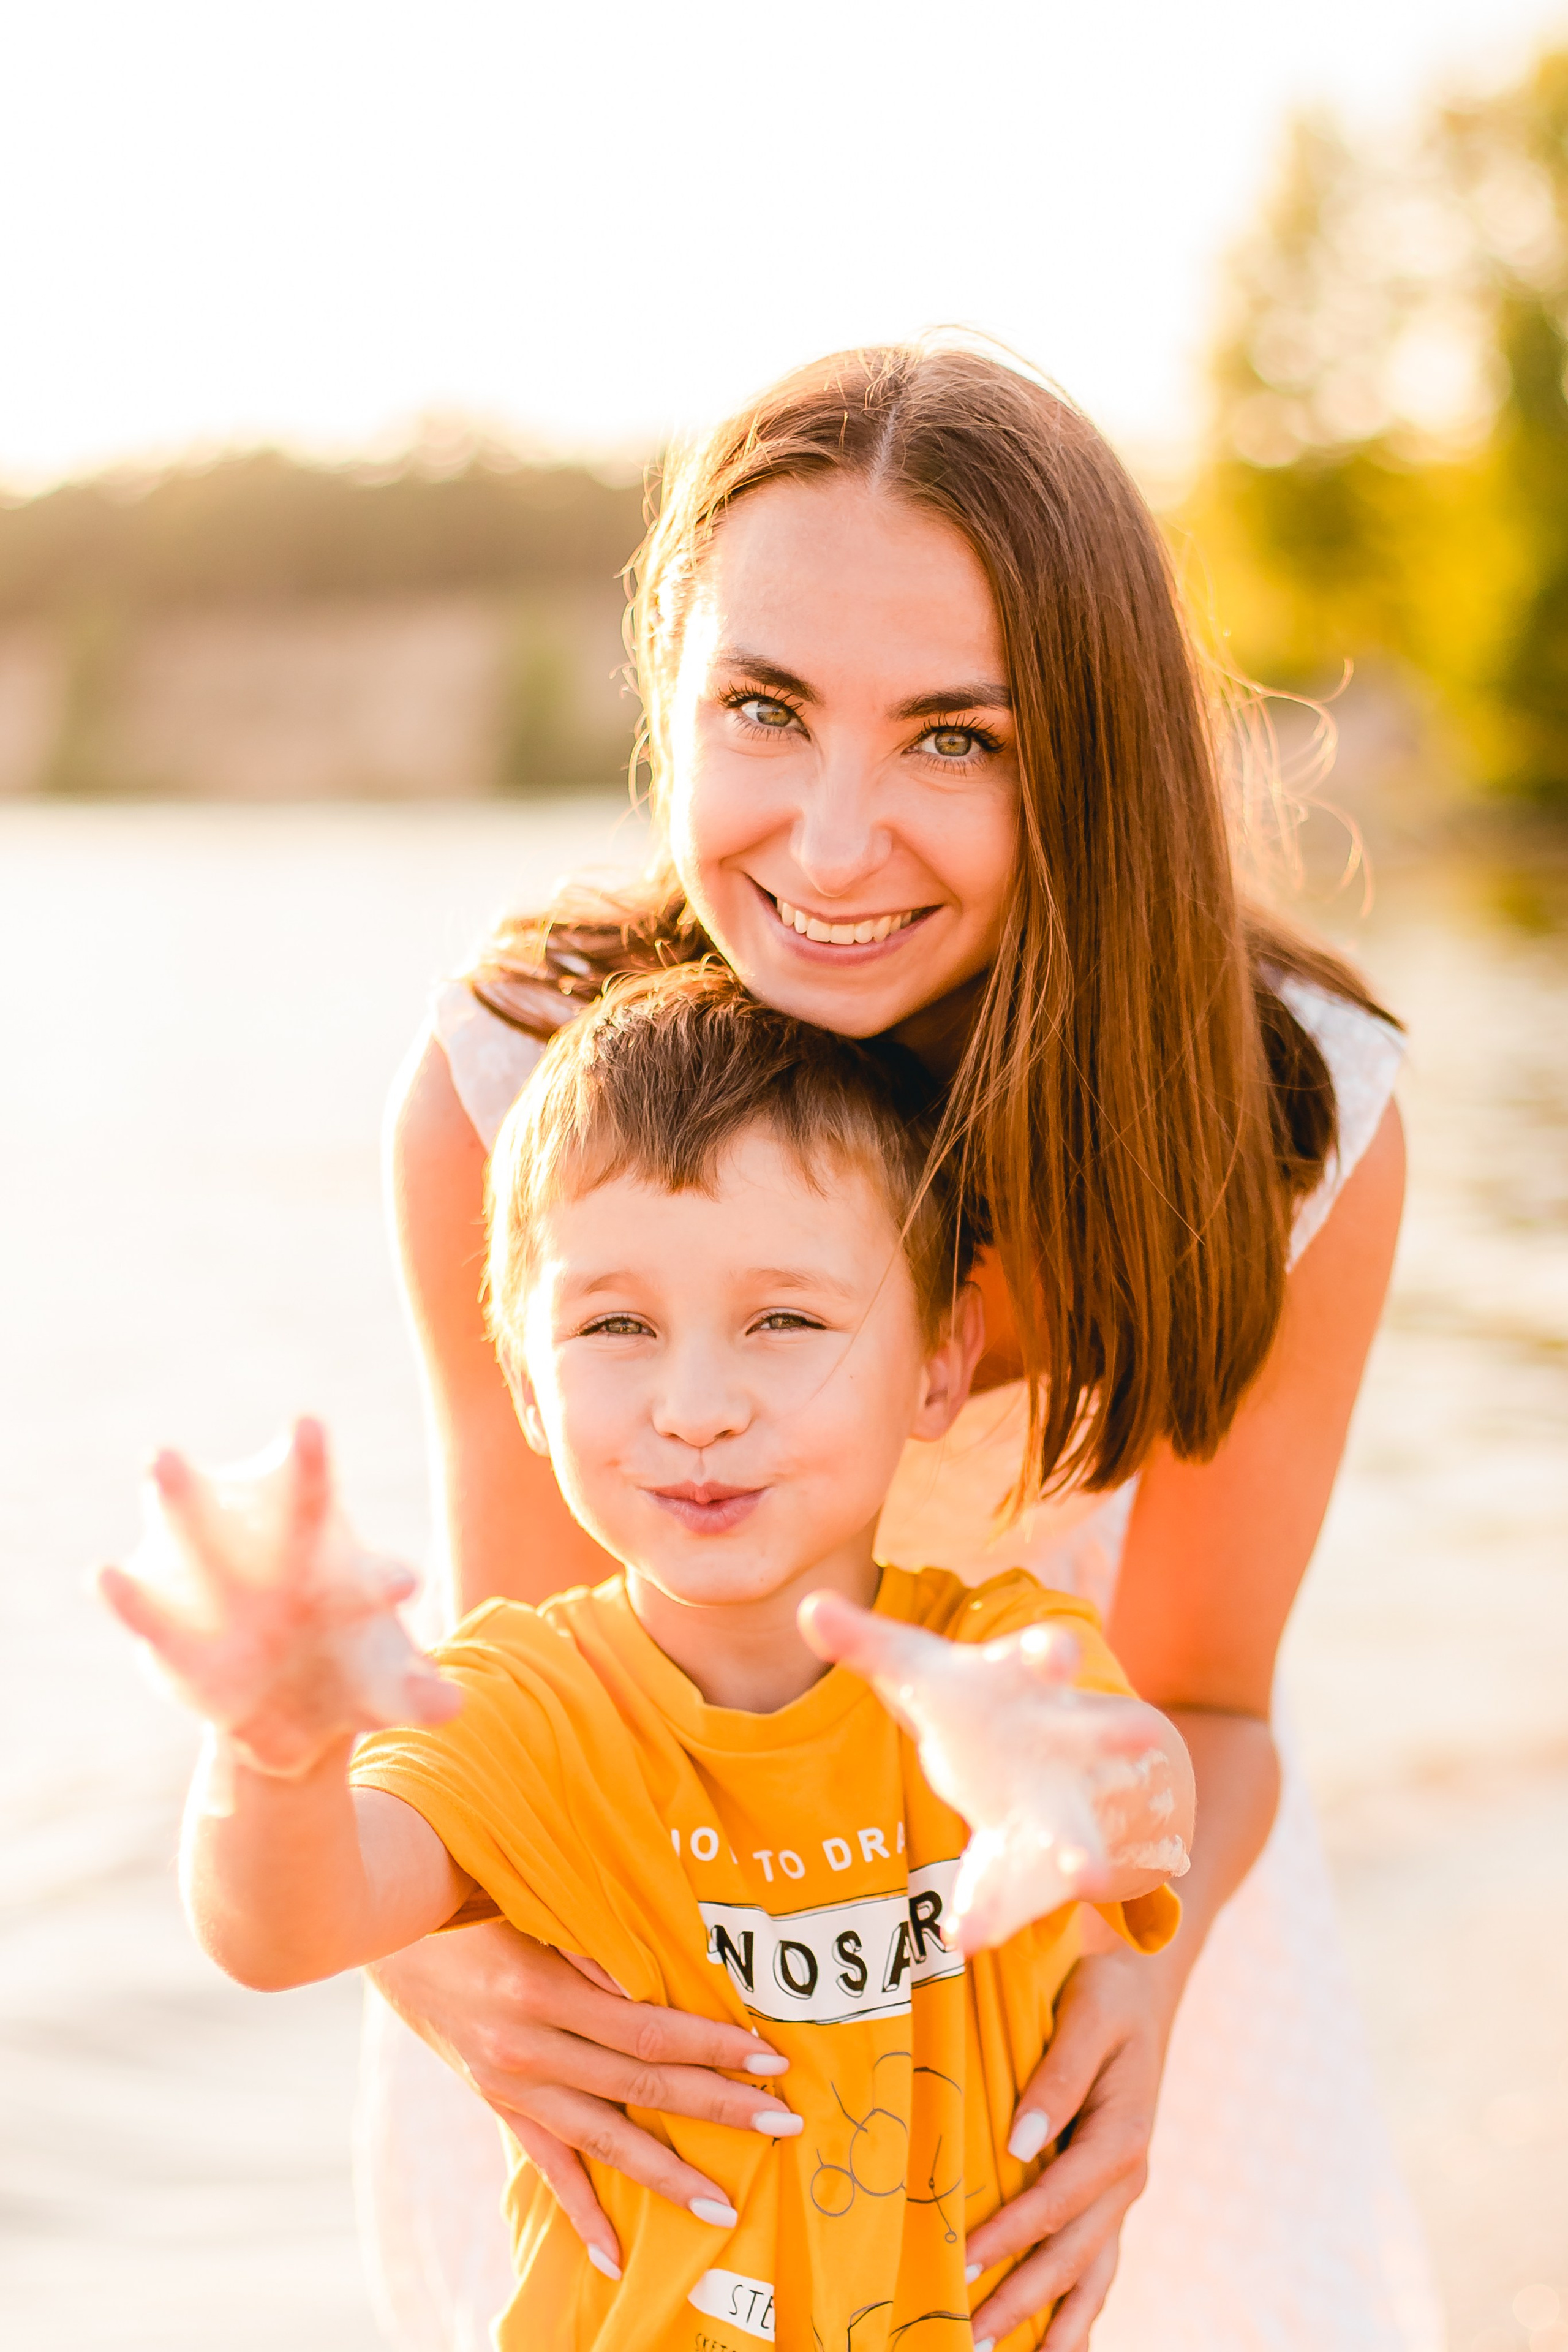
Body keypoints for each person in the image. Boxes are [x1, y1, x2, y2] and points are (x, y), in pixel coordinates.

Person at [368, 341, 1441, 2352]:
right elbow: (510, 1697)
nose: (836, 841)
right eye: (764, 709)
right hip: (636, 2003)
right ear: (672, 696)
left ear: (1093, 758)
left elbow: (1209, 1700)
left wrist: (1139, 1978)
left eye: (957, 738)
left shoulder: (1282, 1126)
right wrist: (437, 1959)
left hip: (1088, 1965)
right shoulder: (517, 1095)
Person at [102, 965, 1194, 2352]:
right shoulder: (522, 1705)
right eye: (616, 1326)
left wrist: (1077, 1790)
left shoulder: (994, 1666)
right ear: (526, 1382)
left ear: (938, 1360)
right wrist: (274, 1749)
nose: (695, 1407)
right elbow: (282, 1931)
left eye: (784, 1321)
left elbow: (1154, 1816)